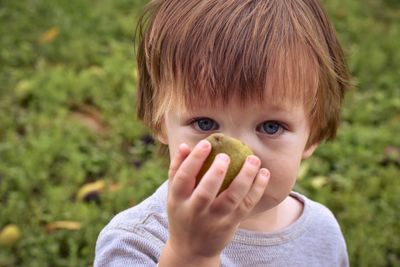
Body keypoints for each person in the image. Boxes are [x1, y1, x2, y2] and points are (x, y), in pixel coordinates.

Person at [94, 0, 352, 266]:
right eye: (205, 123)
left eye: (271, 127)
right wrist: (190, 254)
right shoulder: (136, 242)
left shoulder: (323, 233)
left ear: (313, 134)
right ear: (158, 121)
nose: (234, 157)